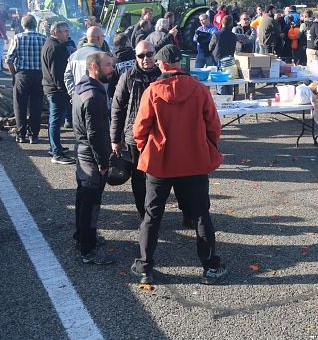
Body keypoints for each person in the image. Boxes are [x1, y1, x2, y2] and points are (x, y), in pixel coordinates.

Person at [130, 45, 227, 285]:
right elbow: (213, 125)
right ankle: (210, 267)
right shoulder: (199, 89)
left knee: (152, 215)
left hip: (160, 162)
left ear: (161, 64)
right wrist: (207, 146)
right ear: (179, 63)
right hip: (193, 161)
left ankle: (145, 267)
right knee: (201, 214)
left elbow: (139, 129)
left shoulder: (153, 91)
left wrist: (145, 149)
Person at [72, 52, 116, 265]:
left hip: (82, 152)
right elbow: (95, 134)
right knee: (91, 202)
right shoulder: (94, 96)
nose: (112, 69)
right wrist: (103, 163)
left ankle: (81, 236)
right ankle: (87, 249)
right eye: (108, 65)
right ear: (94, 67)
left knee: (83, 197)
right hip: (90, 156)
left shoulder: (82, 87)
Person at [111, 40, 161, 220]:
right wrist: (115, 139)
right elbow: (117, 109)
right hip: (135, 136)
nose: (146, 59)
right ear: (135, 57)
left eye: (149, 54)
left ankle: (155, 209)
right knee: (139, 176)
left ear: (155, 55)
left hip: (159, 135)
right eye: (141, 56)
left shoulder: (162, 75)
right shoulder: (127, 77)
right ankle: (143, 212)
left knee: (159, 175)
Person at [6, 14, 46, 144]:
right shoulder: (43, 38)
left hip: (22, 74)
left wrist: (14, 74)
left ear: (23, 25)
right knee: (36, 105)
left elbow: (9, 60)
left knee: (20, 105)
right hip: (39, 75)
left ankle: (21, 134)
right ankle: (34, 135)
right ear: (36, 24)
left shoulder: (18, 38)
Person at [41, 22, 74, 164]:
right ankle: (56, 153)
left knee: (54, 120)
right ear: (56, 32)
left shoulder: (50, 44)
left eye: (67, 30)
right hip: (56, 90)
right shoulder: (55, 48)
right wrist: (66, 91)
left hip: (52, 88)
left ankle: (55, 147)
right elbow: (58, 74)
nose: (67, 33)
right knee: (55, 121)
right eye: (65, 31)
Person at [65, 27, 110, 96]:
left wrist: (75, 95)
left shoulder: (73, 56)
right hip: (96, 97)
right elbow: (106, 79)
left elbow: (68, 77)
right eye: (103, 37)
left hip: (79, 98)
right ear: (98, 38)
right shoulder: (101, 56)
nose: (103, 39)